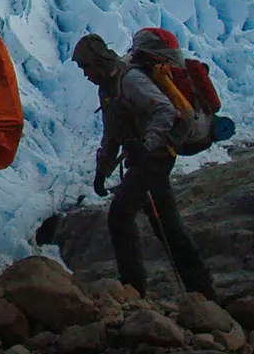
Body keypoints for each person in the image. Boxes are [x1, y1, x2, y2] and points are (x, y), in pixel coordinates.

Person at [71, 29, 216, 300]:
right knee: (167, 224)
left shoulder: (130, 80)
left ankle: (133, 290)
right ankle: (203, 292)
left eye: (86, 67)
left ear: (98, 62)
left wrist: (147, 144)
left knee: (120, 214)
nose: (85, 74)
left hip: (157, 154)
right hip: (146, 155)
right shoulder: (108, 86)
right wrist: (102, 170)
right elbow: (112, 132)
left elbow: (166, 110)